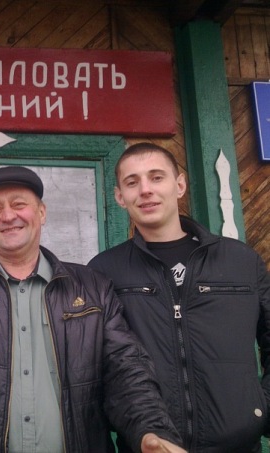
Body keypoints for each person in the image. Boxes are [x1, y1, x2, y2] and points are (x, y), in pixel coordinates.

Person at [0, 166, 186, 453]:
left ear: (42, 213)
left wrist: (151, 431)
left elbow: (126, 373)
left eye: (19, 204)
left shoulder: (93, 288)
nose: (8, 216)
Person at [88, 142, 270, 452]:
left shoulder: (240, 261)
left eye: (156, 177)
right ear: (120, 197)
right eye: (132, 182)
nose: (145, 189)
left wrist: (261, 409)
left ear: (180, 185)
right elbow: (102, 368)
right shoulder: (104, 270)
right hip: (150, 445)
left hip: (240, 445)